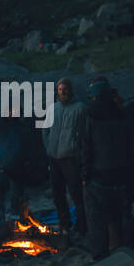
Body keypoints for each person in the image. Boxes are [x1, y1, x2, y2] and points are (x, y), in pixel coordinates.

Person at [79, 76, 134, 260]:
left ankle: (100, 255)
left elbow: (86, 148)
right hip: (124, 173)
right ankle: (130, 249)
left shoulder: (90, 115)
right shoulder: (123, 113)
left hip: (99, 176)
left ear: (94, 95)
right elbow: (131, 145)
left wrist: (84, 174)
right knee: (125, 214)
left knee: (96, 219)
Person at [42, 77, 87, 237]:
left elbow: (84, 133)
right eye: (60, 89)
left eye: (65, 89)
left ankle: (82, 225)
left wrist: (80, 153)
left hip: (71, 157)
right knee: (57, 193)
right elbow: (45, 129)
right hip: (54, 157)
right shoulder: (52, 108)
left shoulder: (80, 108)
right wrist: (48, 147)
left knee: (76, 193)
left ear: (70, 89)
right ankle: (64, 223)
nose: (63, 92)